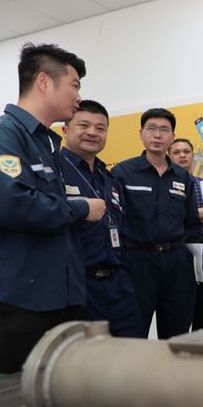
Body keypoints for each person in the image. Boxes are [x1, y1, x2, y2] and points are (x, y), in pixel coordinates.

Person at [0, 43, 106, 374]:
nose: (78, 96)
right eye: (74, 85)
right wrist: (81, 208)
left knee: (53, 397)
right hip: (13, 303)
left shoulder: (45, 144)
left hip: (56, 301)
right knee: (9, 401)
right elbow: (14, 205)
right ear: (43, 82)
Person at [112, 108, 203, 339]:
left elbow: (192, 224)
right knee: (132, 333)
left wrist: (193, 265)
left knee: (177, 335)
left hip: (177, 264)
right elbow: (114, 221)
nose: (157, 135)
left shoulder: (182, 177)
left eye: (164, 130)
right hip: (137, 263)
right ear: (141, 134)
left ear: (172, 136)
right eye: (151, 129)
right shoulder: (122, 172)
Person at [60, 99, 142, 337]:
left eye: (100, 128)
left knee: (129, 350)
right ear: (65, 130)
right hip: (76, 287)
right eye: (83, 125)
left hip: (118, 286)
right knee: (83, 356)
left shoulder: (109, 179)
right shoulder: (54, 171)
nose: (93, 133)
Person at [169, 138, 203, 330]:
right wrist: (202, 213)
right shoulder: (165, 184)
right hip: (176, 249)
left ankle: (200, 341)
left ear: (192, 155)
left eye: (186, 151)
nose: (182, 155)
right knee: (176, 304)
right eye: (177, 152)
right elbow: (169, 217)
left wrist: (185, 215)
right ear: (169, 156)